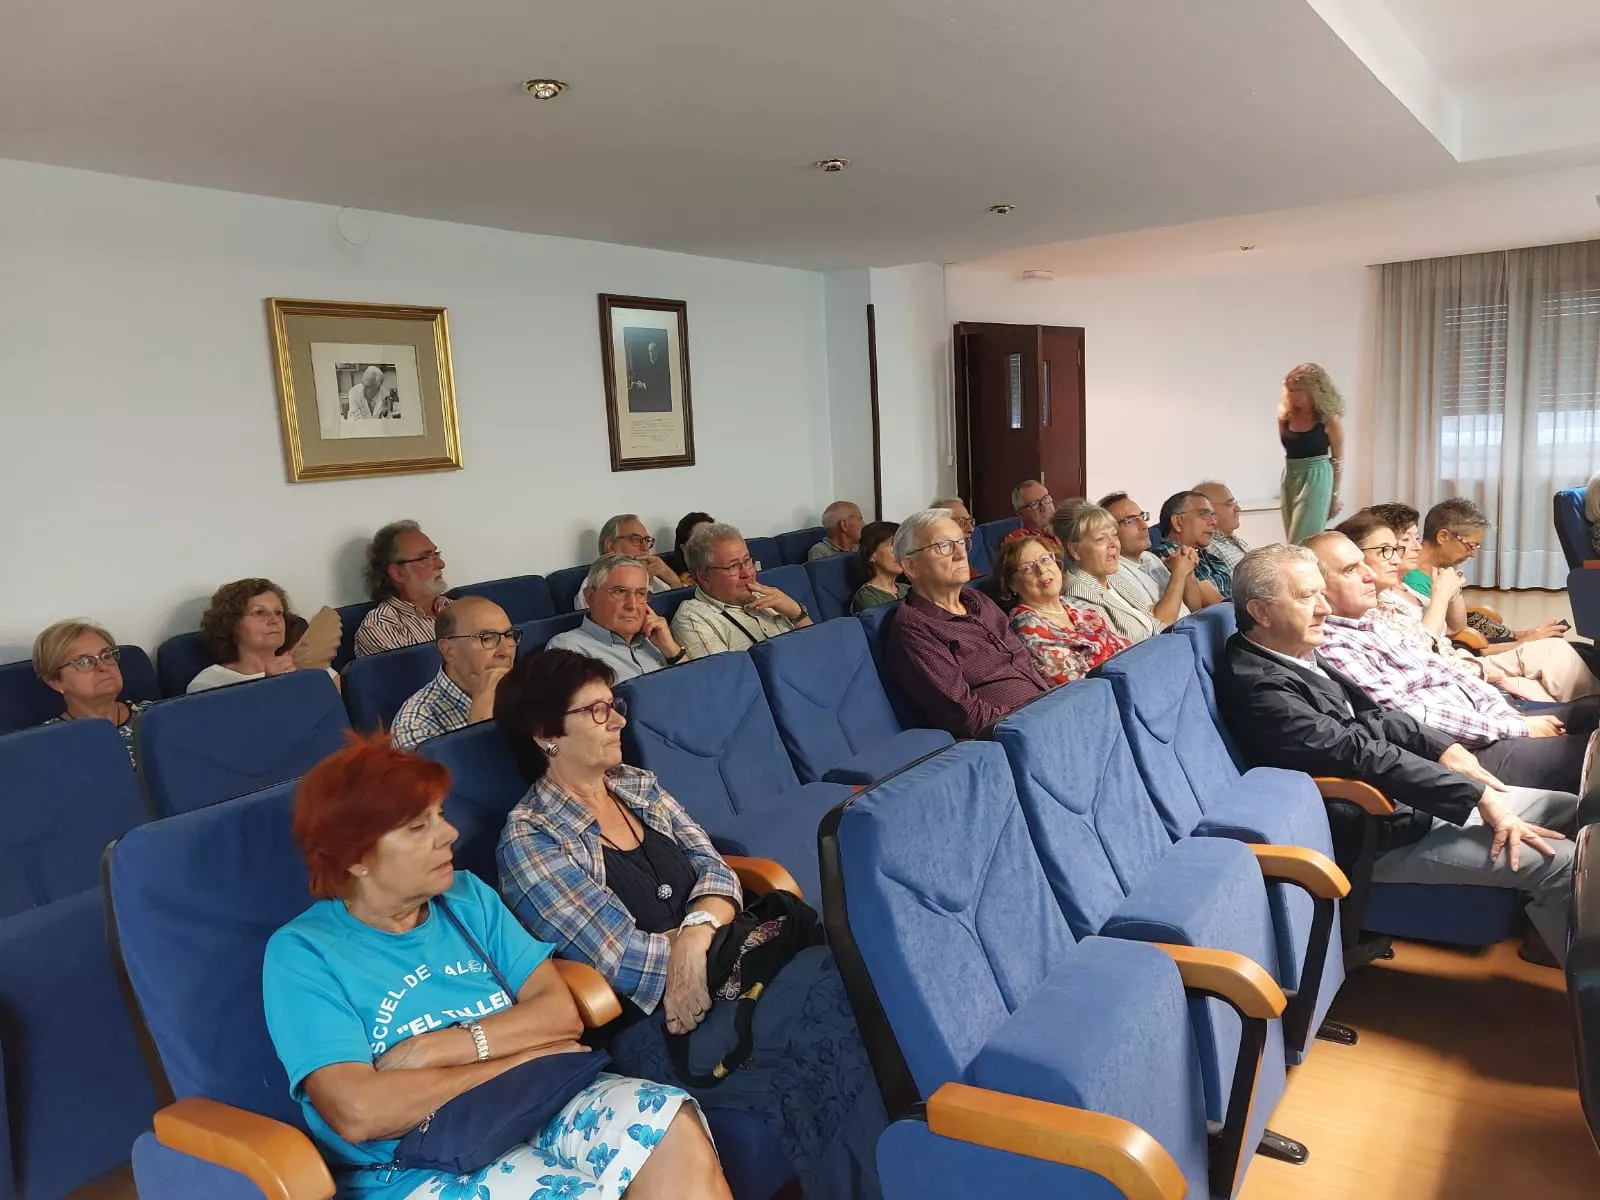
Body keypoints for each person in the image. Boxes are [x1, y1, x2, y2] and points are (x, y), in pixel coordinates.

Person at [262, 732, 730, 1200]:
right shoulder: (304, 953)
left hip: (538, 1099)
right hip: (413, 1159)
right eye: (417, 828)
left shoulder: (466, 897)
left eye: (439, 816)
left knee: (670, 1125)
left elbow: (558, 1013)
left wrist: (444, 1047)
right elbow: (359, 1110)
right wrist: (521, 1057)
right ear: (356, 859)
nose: (449, 835)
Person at [493, 651, 888, 1199]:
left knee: (866, 976)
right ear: (545, 735)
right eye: (598, 711)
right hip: (661, 1022)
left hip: (732, 966)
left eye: (616, 705)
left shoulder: (635, 785)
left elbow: (716, 870)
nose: (620, 721)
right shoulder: (531, 838)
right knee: (842, 1009)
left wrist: (695, 934)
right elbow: (622, 958)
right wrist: (697, 943)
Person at [1217, 544, 1576, 966]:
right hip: (1369, 831)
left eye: (1321, 593)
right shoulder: (1261, 687)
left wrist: (1445, 748)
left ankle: (1550, 939)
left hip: (1406, 798)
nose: (1324, 609)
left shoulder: (1292, 650)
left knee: (1569, 808)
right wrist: (1477, 795)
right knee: (1563, 863)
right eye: (1305, 597)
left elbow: (1376, 718)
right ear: (1260, 612)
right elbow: (1358, 752)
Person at [1304, 532, 1588, 794]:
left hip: (1488, 719)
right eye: (1351, 569)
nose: (1369, 574)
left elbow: (1443, 669)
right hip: (1462, 752)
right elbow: (1404, 715)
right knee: (1590, 754)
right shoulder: (1332, 643)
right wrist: (1517, 728)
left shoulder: (1371, 620)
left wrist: (1505, 716)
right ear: (1318, 589)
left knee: (1591, 712)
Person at [1405, 499, 1598, 702]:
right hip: (1459, 662)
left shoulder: (1442, 572)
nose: (1472, 554)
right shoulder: (1415, 584)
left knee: (1573, 655)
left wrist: (1452, 593)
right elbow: (1445, 645)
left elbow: (1457, 626)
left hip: (1465, 655)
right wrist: (1524, 641)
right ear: (1443, 536)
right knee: (1557, 657)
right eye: (1470, 546)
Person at [883, 508, 1049, 736]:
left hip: (1044, 711)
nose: (961, 555)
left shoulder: (976, 599)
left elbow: (1023, 662)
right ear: (911, 566)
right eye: (944, 546)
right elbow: (965, 715)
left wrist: (1053, 704)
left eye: (961, 543)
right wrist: (1032, 723)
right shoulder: (915, 626)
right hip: (1012, 733)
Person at [993, 534, 1128, 686]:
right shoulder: (1027, 626)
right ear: (1012, 584)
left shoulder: (1074, 604)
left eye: (1045, 559)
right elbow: (1079, 681)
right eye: (1028, 568)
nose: (1042, 570)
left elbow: (1122, 647)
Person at [390, 597, 518, 751]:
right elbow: (477, 774)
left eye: (509, 635)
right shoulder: (415, 726)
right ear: (449, 651)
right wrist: (481, 721)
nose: (506, 651)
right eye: (488, 638)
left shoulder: (530, 688)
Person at [670, 524, 811, 659]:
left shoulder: (766, 595)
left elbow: (818, 649)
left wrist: (797, 614)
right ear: (704, 577)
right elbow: (730, 679)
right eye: (733, 566)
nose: (747, 573)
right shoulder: (693, 618)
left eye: (747, 561)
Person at [1058, 503, 1190, 645]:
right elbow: (1119, 649)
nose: (1113, 544)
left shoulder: (1114, 578)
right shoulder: (1077, 595)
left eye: (1114, 535)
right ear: (1075, 551)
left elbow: (1154, 623)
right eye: (1101, 539)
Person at [548, 555, 687, 683]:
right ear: (590, 597)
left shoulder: (658, 639)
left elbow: (696, 689)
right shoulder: (568, 649)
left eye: (640, 594)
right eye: (619, 592)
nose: (632, 605)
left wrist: (673, 651)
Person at [187, 579, 339, 693]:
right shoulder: (209, 682)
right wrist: (269, 687)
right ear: (231, 624)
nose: (274, 620)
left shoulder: (307, 663)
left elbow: (343, 714)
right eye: (259, 613)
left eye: (278, 613)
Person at [34, 620, 152, 766]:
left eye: (107, 656)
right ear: (55, 682)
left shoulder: (155, 715)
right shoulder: (44, 742)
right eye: (83, 662)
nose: (103, 667)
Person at [1099, 491, 1218, 617]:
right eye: (1131, 520)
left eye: (1142, 517)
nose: (1144, 526)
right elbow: (1160, 622)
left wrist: (1188, 572)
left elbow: (1194, 608)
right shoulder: (1115, 572)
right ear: (1110, 532)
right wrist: (1178, 573)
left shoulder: (1150, 557)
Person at [356, 521, 453, 656]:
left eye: (436, 554)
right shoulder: (382, 627)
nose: (441, 564)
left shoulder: (453, 607)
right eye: (426, 558)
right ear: (398, 573)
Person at [1278, 362, 1346, 541]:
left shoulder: (1328, 420)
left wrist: (1334, 496)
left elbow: (1338, 460)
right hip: (1291, 474)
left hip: (1316, 475)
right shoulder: (1284, 417)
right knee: (1291, 537)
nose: (1293, 396)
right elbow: (1290, 449)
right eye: (1290, 390)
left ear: (1313, 391)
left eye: (1298, 390)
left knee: (1303, 538)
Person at [575, 517, 680, 607]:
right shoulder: (592, 586)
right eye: (636, 539)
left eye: (647, 540)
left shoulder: (654, 579)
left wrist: (673, 580)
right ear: (611, 547)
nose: (645, 547)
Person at [1152, 490, 1232, 599]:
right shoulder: (1169, 555)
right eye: (1204, 514)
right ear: (1178, 522)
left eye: (1213, 516)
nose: (1213, 522)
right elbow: (1208, 603)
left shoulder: (1214, 560)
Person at [850, 521, 909, 613]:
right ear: (871, 555)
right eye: (893, 545)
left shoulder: (907, 589)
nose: (900, 552)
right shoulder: (867, 596)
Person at [1195, 481, 1250, 569]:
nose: (1238, 509)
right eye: (1230, 504)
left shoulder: (1233, 539)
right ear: (1207, 509)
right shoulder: (1208, 549)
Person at [1003, 480, 1062, 551]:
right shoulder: (1017, 539)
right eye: (1034, 504)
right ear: (1020, 513)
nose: (1045, 507)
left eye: (1046, 498)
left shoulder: (1068, 525)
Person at [670, 512, 714, 587]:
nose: (710, 545)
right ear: (684, 549)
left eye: (713, 537)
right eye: (702, 540)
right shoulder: (677, 581)